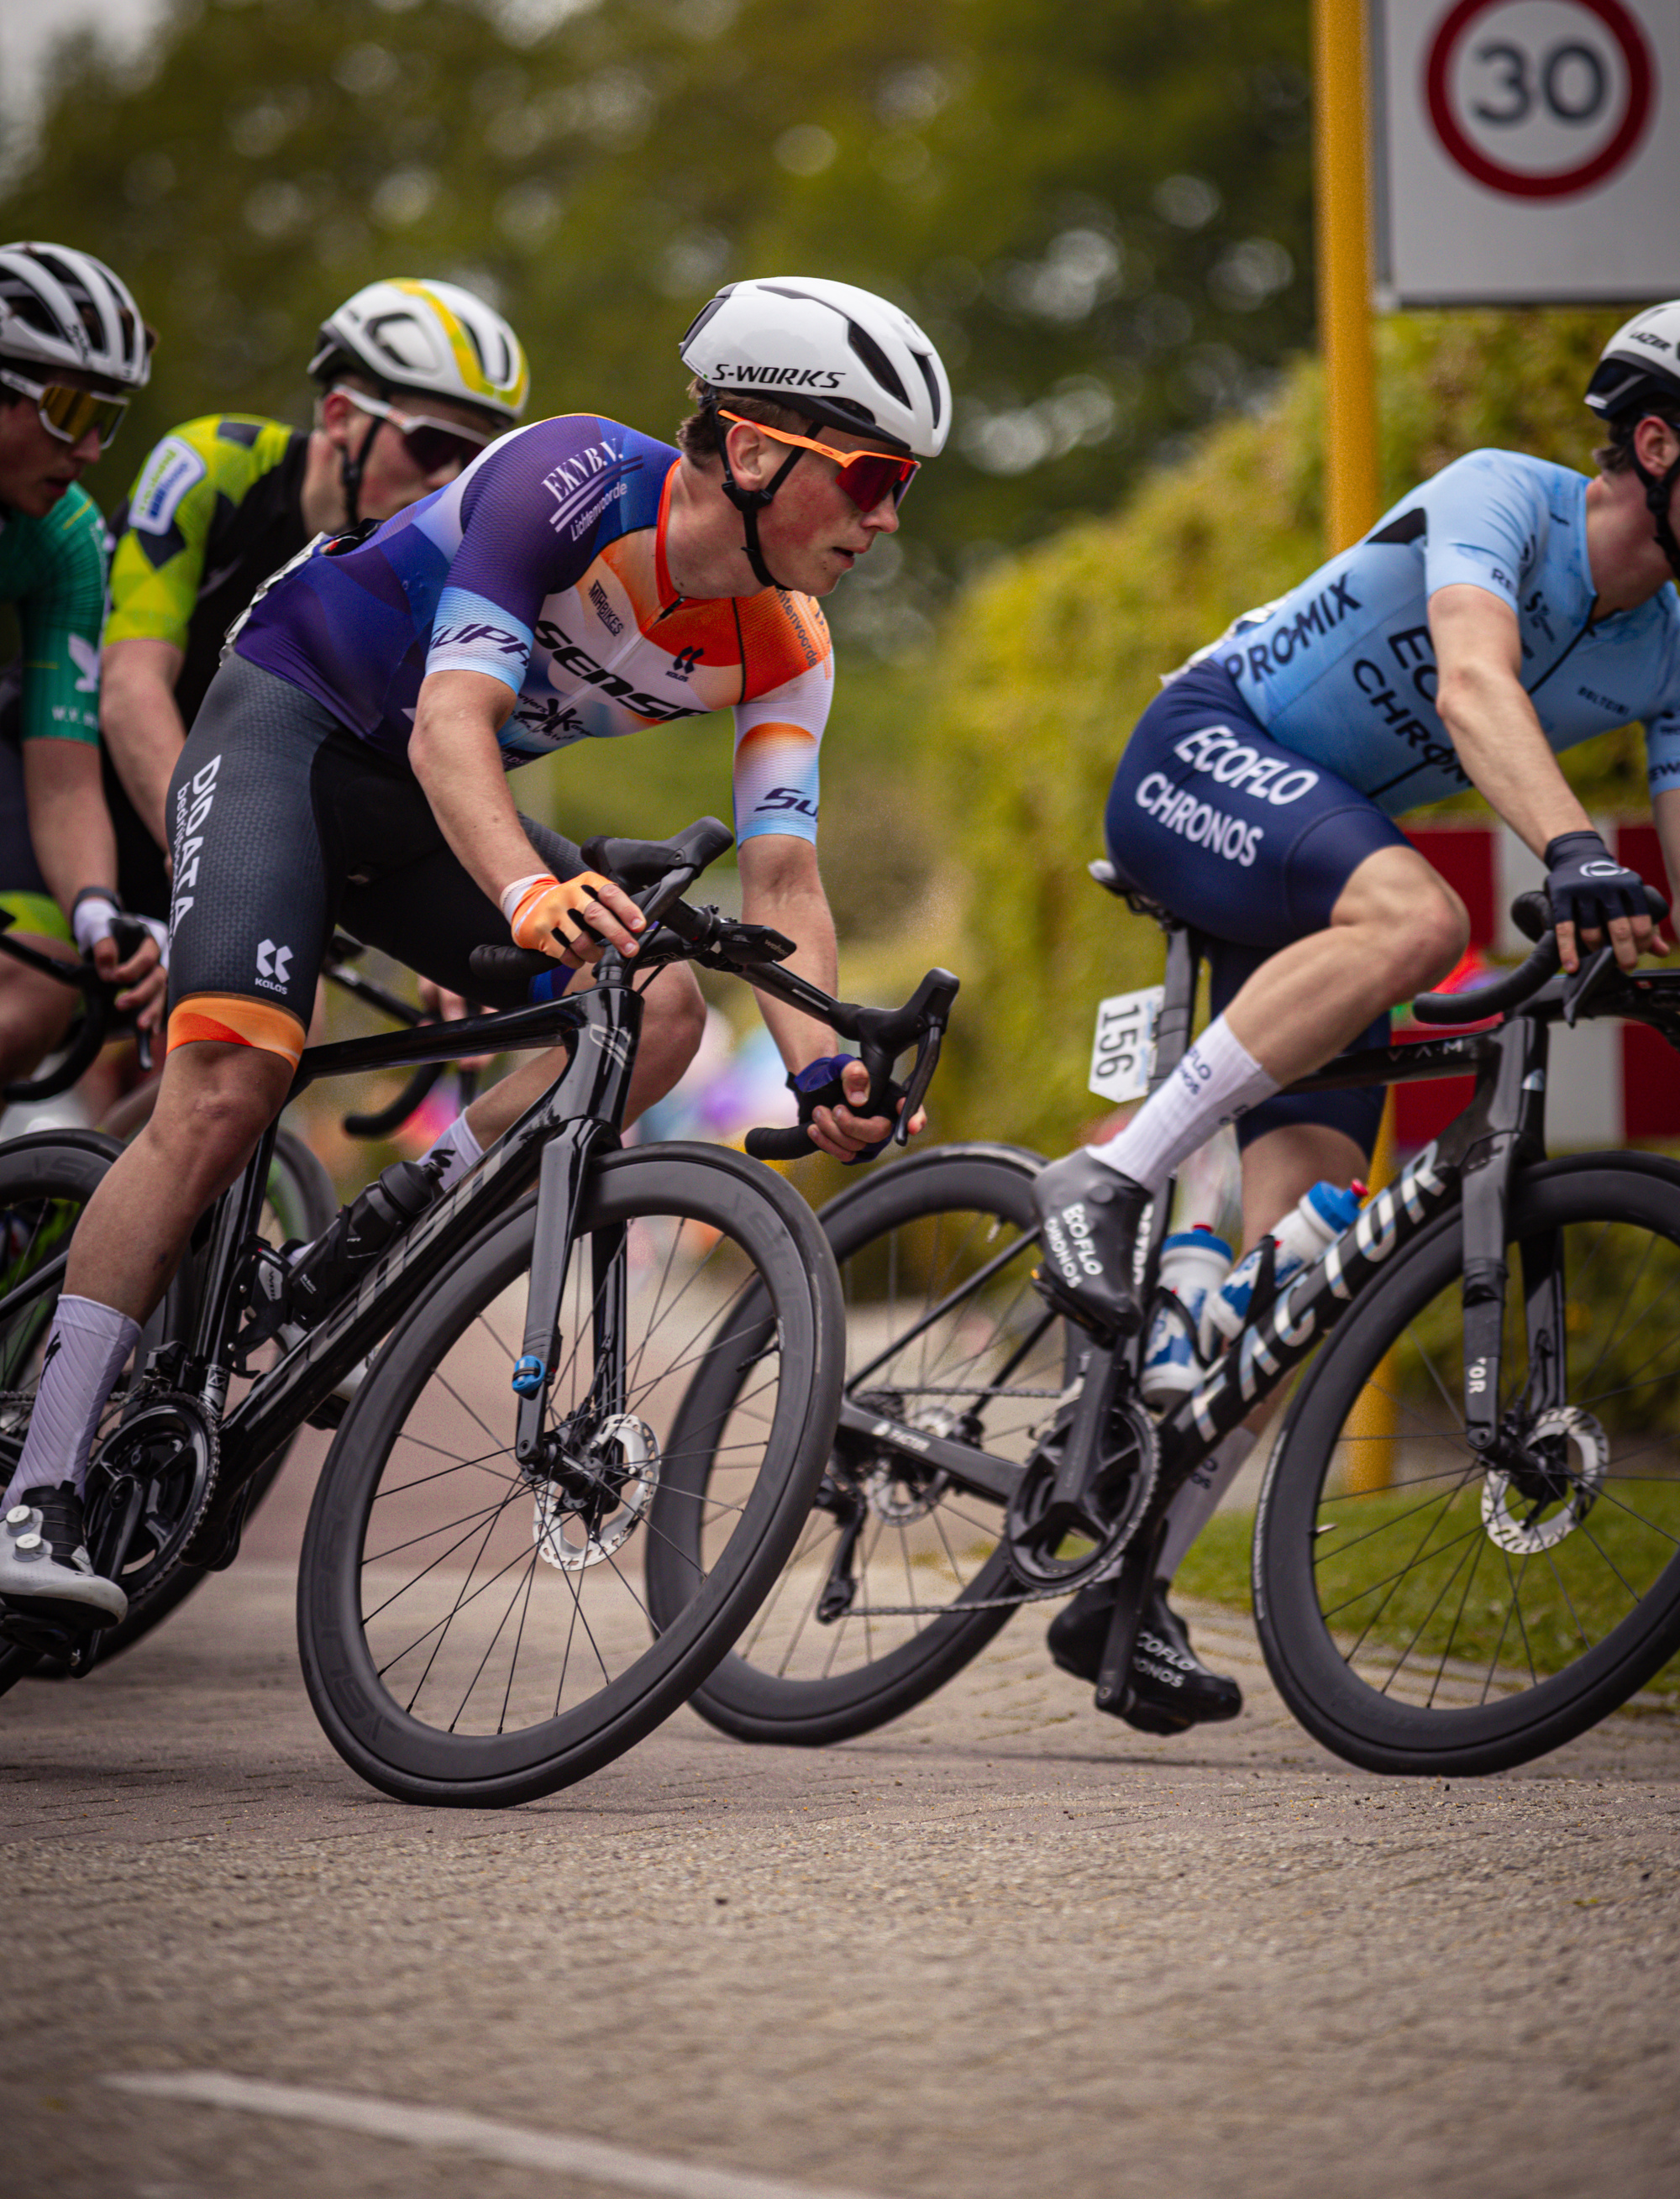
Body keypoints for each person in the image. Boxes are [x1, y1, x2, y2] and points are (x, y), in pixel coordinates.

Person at [0, 275, 949, 1626]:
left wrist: (822, 1065)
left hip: (423, 817)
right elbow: (454, 726)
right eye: (867, 476)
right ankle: (33, 1485)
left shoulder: (791, 644)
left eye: (900, 482)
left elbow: (783, 872)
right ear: (752, 449)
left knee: (663, 1012)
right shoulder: (567, 477)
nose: (886, 516)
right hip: (295, 735)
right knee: (227, 1088)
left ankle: (385, 1232)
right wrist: (521, 891)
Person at [1031, 302, 1680, 1734]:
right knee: (1424, 921)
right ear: (1656, 443)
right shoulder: (1500, 499)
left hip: (1314, 847)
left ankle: (1120, 1598)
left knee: (1299, 1267)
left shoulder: (1674, 642)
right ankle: (1113, 1174)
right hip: (1205, 750)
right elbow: (1471, 683)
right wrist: (1578, 851)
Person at [101, 276, 530, 921]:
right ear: (340, 417)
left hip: (245, 802)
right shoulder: (213, 464)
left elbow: (433, 757)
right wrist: (206, 848)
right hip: (90, 776)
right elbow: (131, 685)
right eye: (432, 443)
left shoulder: (437, 568)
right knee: (36, 995)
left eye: (473, 460)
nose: (447, 479)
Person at [0, 243, 165, 1085]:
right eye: (72, 410)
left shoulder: (66, 537)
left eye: (112, 416)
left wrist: (95, 908)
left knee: (31, 1001)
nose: (95, 448)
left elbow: (63, 777)